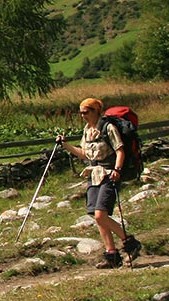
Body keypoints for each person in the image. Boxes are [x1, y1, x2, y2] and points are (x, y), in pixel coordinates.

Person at [57, 98, 142, 268]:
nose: (82, 115)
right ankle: (112, 255)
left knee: (100, 215)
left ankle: (130, 243)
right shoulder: (87, 130)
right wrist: (65, 144)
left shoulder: (107, 127)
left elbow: (120, 150)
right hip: (94, 174)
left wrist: (117, 170)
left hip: (109, 174)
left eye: (86, 112)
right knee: (97, 217)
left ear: (96, 110)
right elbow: (84, 154)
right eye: (81, 112)